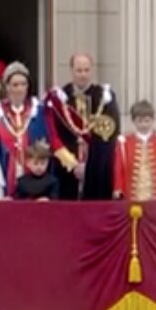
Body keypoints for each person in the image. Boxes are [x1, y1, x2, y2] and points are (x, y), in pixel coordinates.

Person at [45, 53, 120, 200]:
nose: (83, 75)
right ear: (71, 70)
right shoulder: (59, 98)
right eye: (79, 70)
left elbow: (110, 136)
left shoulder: (104, 97)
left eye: (86, 70)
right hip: (66, 167)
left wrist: (89, 165)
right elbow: (53, 134)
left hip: (96, 167)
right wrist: (71, 163)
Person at [0, 61, 50, 197]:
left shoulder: (38, 111)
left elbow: (47, 143)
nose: (19, 89)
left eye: (23, 84)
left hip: (32, 175)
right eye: (15, 85)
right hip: (6, 173)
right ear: (7, 87)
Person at [112, 100, 156, 201]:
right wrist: (118, 188)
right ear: (133, 121)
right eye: (139, 121)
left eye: (147, 121)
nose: (144, 125)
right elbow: (118, 168)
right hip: (132, 196)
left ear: (153, 120)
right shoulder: (124, 143)